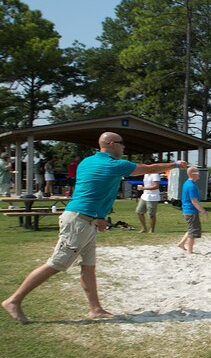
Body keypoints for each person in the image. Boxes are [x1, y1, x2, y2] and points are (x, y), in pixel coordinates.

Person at [2, 132, 187, 324]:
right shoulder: (115, 165)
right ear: (112, 144)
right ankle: (14, 300)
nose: (124, 148)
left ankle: (95, 309)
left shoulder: (86, 162)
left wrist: (100, 217)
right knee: (56, 263)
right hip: (78, 221)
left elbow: (94, 189)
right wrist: (174, 165)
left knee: (88, 267)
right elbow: (149, 168)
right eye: (122, 144)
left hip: (86, 219)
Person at [177, 166, 208, 254]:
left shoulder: (187, 183)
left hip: (188, 210)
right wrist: (204, 211)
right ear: (192, 174)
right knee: (193, 232)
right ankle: (190, 251)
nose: (199, 175)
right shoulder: (191, 185)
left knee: (191, 228)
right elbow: (194, 201)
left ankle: (181, 243)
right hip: (190, 211)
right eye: (197, 173)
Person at [135, 165, 161, 233]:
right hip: (145, 195)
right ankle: (144, 228)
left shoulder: (155, 174)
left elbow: (156, 186)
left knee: (151, 214)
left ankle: (152, 230)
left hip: (153, 196)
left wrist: (144, 188)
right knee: (139, 211)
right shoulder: (145, 174)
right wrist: (143, 188)